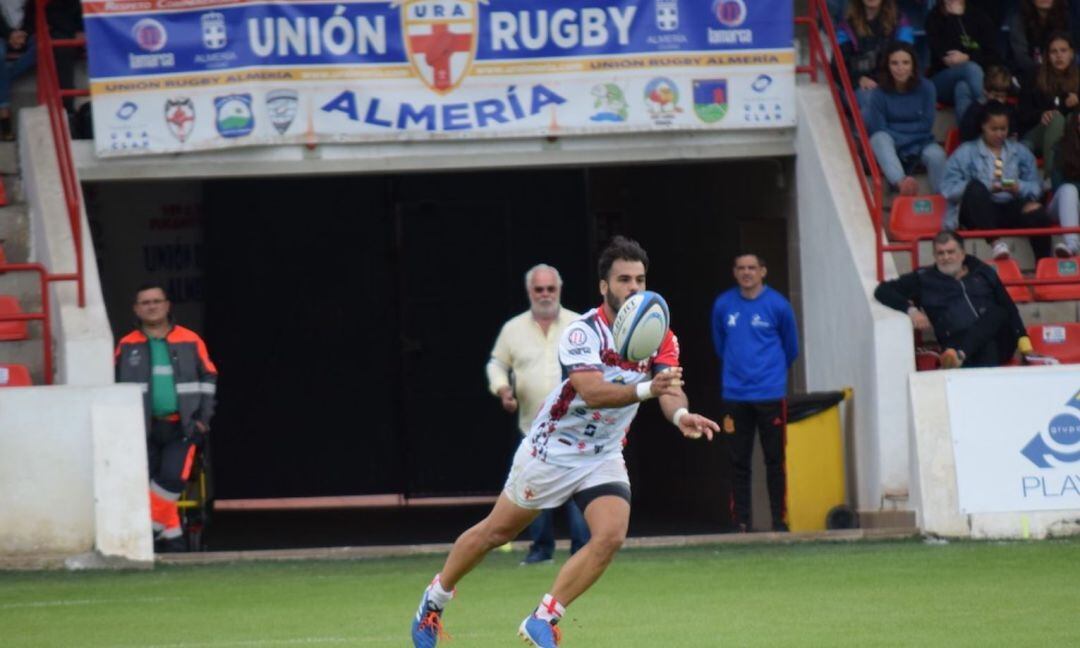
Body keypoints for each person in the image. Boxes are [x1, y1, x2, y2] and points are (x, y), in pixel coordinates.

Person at [410, 236, 719, 648]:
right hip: (551, 451)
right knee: (495, 534)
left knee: (609, 535)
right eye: (624, 279)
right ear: (604, 286)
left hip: (602, 454)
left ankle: (544, 617)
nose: (634, 288)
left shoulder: (660, 335)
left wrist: (680, 413)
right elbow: (592, 391)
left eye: (640, 280)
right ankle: (434, 599)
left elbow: (669, 387)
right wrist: (649, 388)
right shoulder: (582, 332)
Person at [486, 263, 590, 565]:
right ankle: (540, 551)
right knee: (534, 491)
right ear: (529, 292)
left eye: (550, 289)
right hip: (533, 427)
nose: (545, 295)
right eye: (539, 289)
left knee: (576, 491)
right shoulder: (512, 329)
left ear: (559, 289)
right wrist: (502, 388)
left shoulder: (579, 325)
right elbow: (496, 364)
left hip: (575, 427)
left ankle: (582, 552)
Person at [114, 283, 217, 552]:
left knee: (171, 479)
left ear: (167, 305)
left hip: (181, 427)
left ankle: (146, 533)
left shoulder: (191, 339)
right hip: (142, 430)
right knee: (148, 485)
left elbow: (209, 378)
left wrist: (202, 419)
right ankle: (174, 542)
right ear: (137, 309)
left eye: (157, 301)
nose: (152, 306)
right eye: (145, 302)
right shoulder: (126, 345)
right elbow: (112, 384)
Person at [710, 254, 799, 534]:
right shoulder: (723, 305)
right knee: (738, 461)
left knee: (775, 461)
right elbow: (719, 344)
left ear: (763, 271)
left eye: (752, 268)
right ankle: (741, 523)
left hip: (770, 395)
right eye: (741, 268)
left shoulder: (778, 305)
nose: (746, 273)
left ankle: (779, 522)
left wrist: (769, 375)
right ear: (734, 273)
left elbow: (791, 347)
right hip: (735, 396)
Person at [874, 230, 1039, 368]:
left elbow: (1009, 307)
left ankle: (960, 355)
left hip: (999, 340)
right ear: (934, 255)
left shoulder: (982, 272)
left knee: (997, 312)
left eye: (950, 252)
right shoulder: (924, 278)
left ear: (962, 253)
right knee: (984, 342)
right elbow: (882, 290)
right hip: (955, 341)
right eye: (940, 253)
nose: (945, 257)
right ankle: (961, 356)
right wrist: (911, 311)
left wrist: (1025, 347)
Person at [941, 101, 1052, 260]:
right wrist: (988, 187)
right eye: (994, 129)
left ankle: (1044, 264)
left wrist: (1018, 186)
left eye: (1003, 129)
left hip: (1009, 205)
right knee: (975, 188)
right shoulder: (965, 151)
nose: (999, 134)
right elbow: (947, 189)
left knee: (1036, 210)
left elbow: (1036, 187)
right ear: (983, 127)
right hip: (977, 210)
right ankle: (995, 243)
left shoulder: (1020, 151)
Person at [865, 42, 947, 195]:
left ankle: (943, 201)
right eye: (894, 63)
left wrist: (894, 130)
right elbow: (879, 128)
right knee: (878, 138)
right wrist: (905, 135)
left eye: (905, 63)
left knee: (937, 155)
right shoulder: (878, 93)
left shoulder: (927, 88)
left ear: (913, 65)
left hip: (921, 142)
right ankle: (902, 183)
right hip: (892, 144)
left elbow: (926, 125)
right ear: (887, 66)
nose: (900, 68)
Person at [1018, 31, 1079, 178]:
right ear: (1047, 56)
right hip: (1037, 134)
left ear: (1071, 53)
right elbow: (1022, 114)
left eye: (1063, 51)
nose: (1059, 56)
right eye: (1053, 51)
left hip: (1070, 139)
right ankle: (1051, 178)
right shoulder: (1033, 77)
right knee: (1056, 119)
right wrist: (1041, 115)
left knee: (1072, 118)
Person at [926, 0, 1002, 118]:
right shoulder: (933, 18)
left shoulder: (978, 15)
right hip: (941, 81)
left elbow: (994, 55)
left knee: (962, 88)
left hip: (975, 81)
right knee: (971, 68)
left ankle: (969, 134)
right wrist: (954, 19)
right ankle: (991, 114)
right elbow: (949, 59)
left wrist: (968, 57)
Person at [836, 0, 914, 112]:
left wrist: (886, 80)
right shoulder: (847, 25)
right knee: (874, 100)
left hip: (890, 81)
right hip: (858, 86)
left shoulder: (900, 21)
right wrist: (858, 79)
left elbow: (906, 55)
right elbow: (838, 64)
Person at [1009, 0, 1072, 80]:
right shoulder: (1019, 20)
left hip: (1059, 71)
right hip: (1028, 74)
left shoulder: (1065, 17)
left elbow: (1070, 50)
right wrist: (1044, 72)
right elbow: (1021, 57)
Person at [0, 0, 35, 140]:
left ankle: (4, 116)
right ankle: (4, 116)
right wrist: (9, 34)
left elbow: (34, 15)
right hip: (2, 34)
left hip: (24, 35)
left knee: (43, 49)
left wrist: (22, 34)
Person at [1047, 110, 1080, 256]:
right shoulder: (1061, 148)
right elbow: (1057, 186)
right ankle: (1072, 245)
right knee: (1068, 190)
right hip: (1062, 204)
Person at [958, 65, 1019, 142]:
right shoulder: (975, 109)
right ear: (985, 91)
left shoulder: (1010, 109)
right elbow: (966, 135)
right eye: (996, 96)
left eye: (1003, 97)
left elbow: (1013, 134)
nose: (999, 101)